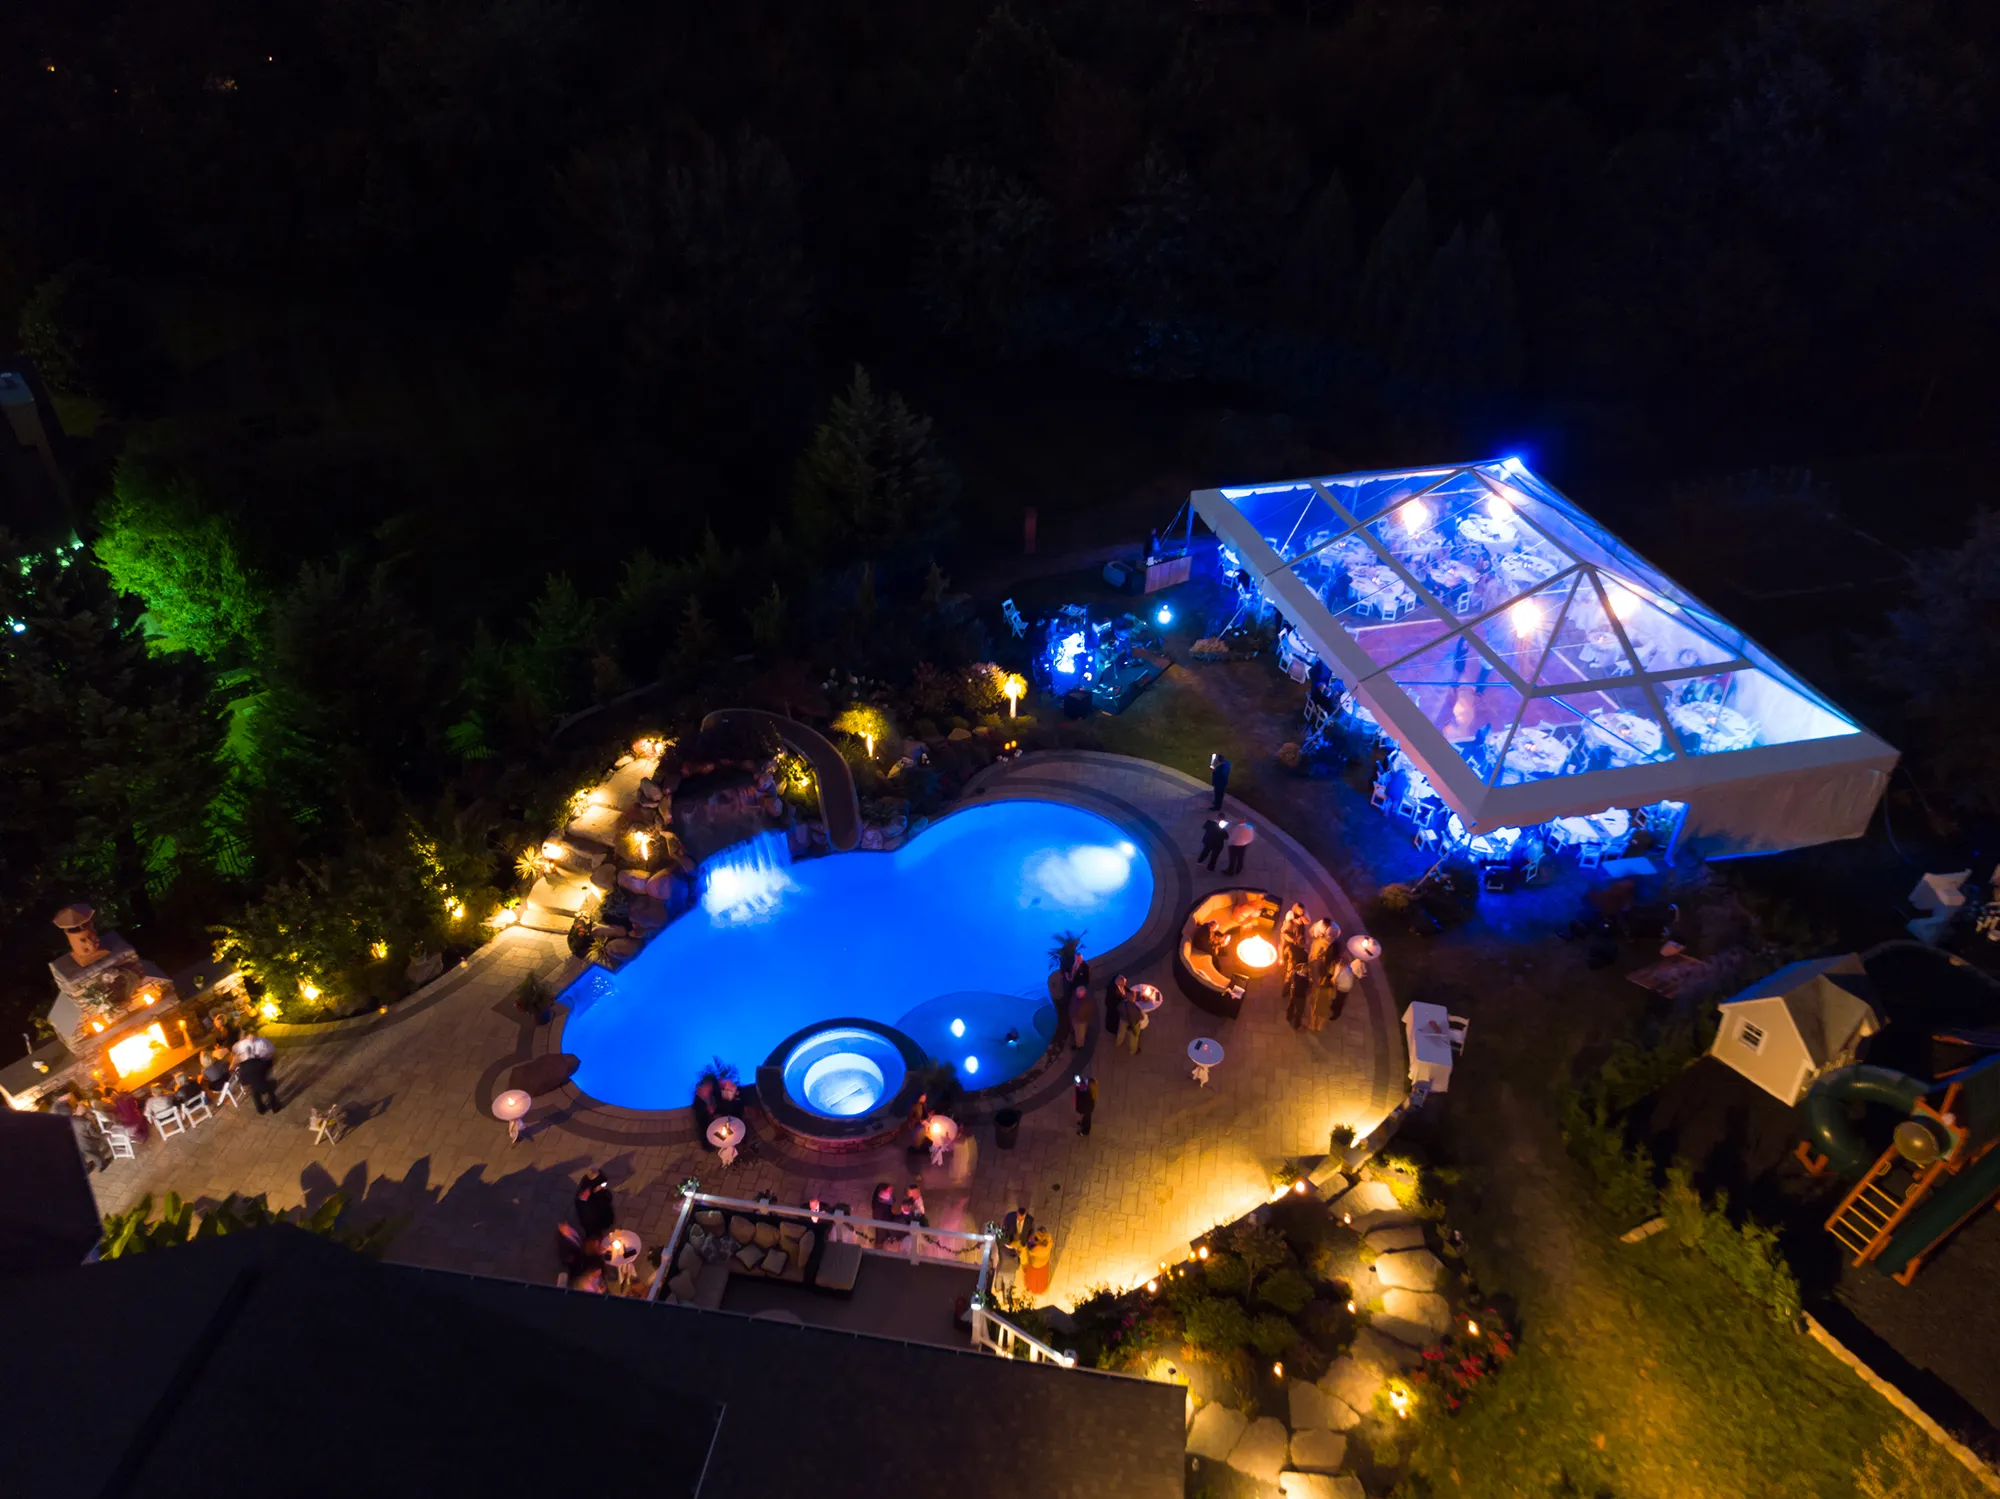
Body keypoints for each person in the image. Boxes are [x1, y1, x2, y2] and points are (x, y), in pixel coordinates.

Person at [232, 1030, 281, 1113]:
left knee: (255, 1089)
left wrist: (239, 1060)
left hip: (249, 1068)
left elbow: (235, 1052)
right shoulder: (262, 1042)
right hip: (259, 1066)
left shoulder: (241, 1044)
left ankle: (261, 1108)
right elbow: (272, 1052)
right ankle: (274, 1106)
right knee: (266, 1087)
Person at [575, 1169, 615, 1238]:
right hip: (593, 1219)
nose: (604, 1186)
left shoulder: (600, 1188)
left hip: (602, 1213)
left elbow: (607, 1198)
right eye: (602, 1184)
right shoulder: (585, 1194)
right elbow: (586, 1214)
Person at [1119, 987, 1147, 1055]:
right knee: (1134, 1038)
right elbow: (1141, 1017)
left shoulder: (1123, 1003)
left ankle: (1118, 1043)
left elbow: (1119, 1009)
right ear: (1133, 998)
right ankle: (1133, 1051)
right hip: (1133, 1024)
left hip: (1123, 1020)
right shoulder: (1136, 1008)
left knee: (1121, 1032)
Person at [1104, 974, 1130, 1046]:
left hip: (1118, 1006)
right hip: (1114, 1010)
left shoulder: (1118, 981)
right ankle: (1114, 1031)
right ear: (1118, 983)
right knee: (1114, 1021)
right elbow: (1109, 1003)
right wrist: (1123, 1002)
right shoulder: (1112, 991)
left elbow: (1124, 987)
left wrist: (1129, 991)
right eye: (1123, 984)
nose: (1124, 985)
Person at [691, 1078, 719, 1143]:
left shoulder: (712, 1095)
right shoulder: (699, 1100)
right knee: (703, 1128)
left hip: (711, 1117)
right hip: (704, 1119)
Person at [1068, 982, 1092, 1050]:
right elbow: (1071, 1006)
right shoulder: (1075, 997)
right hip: (1075, 1019)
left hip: (1081, 1021)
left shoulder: (1086, 1003)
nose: (1077, 994)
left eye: (1079, 994)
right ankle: (1079, 1042)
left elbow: (1088, 1012)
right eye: (1077, 993)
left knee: (1080, 1034)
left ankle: (1079, 1045)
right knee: (1078, 1032)